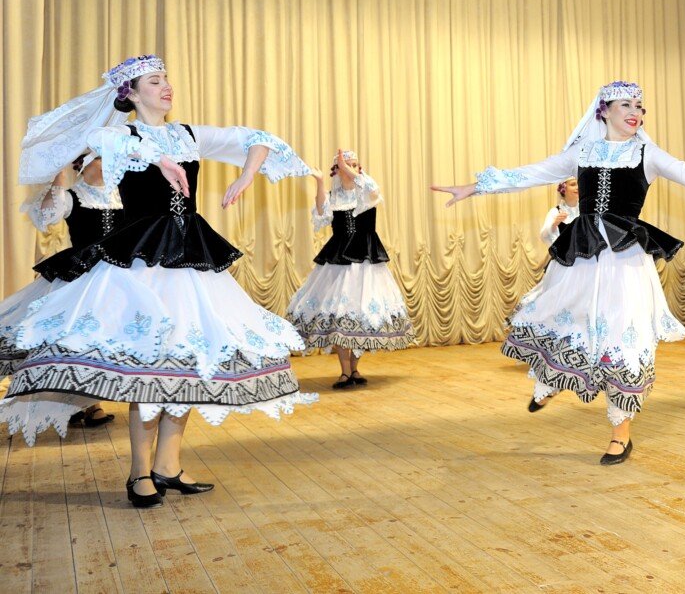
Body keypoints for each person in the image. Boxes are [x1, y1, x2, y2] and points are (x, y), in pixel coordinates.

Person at [0, 54, 317, 509]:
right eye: (154, 80)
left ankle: (168, 465)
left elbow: (260, 139)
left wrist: (246, 175)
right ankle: (138, 473)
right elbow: (105, 141)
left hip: (189, 260)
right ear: (130, 93)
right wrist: (160, 158)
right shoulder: (119, 134)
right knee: (149, 367)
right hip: (143, 262)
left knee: (183, 362)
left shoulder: (189, 134)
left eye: (166, 78)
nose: (166, 86)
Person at [433, 81, 685, 464]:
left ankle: (620, 433)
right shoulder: (582, 151)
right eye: (626, 104)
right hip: (582, 255)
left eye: (639, 106)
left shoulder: (646, 153)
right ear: (604, 110)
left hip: (624, 259)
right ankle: (552, 381)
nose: (635, 112)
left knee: (623, 337)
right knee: (569, 319)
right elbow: (531, 173)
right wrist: (474, 187)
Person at [0, 156, 123, 426]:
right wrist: (58, 178)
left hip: (117, 278)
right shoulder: (71, 196)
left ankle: (86, 402)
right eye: (99, 157)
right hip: (81, 278)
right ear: (83, 163)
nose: (107, 161)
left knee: (100, 341)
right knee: (77, 339)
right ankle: (85, 405)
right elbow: (46, 217)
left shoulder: (121, 194)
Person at [286, 149, 415, 388]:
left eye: (355, 165)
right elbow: (321, 213)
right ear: (336, 170)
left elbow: (373, 190)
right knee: (340, 316)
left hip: (365, 259)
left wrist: (348, 169)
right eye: (346, 165)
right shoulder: (333, 197)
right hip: (339, 261)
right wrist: (320, 182)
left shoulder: (365, 192)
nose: (351, 168)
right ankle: (345, 372)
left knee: (361, 314)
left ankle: (354, 369)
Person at [539, 177, 579, 246]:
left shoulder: (585, 210)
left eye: (579, 184)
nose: (577, 187)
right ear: (563, 189)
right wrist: (554, 224)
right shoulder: (555, 212)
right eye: (573, 184)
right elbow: (544, 237)